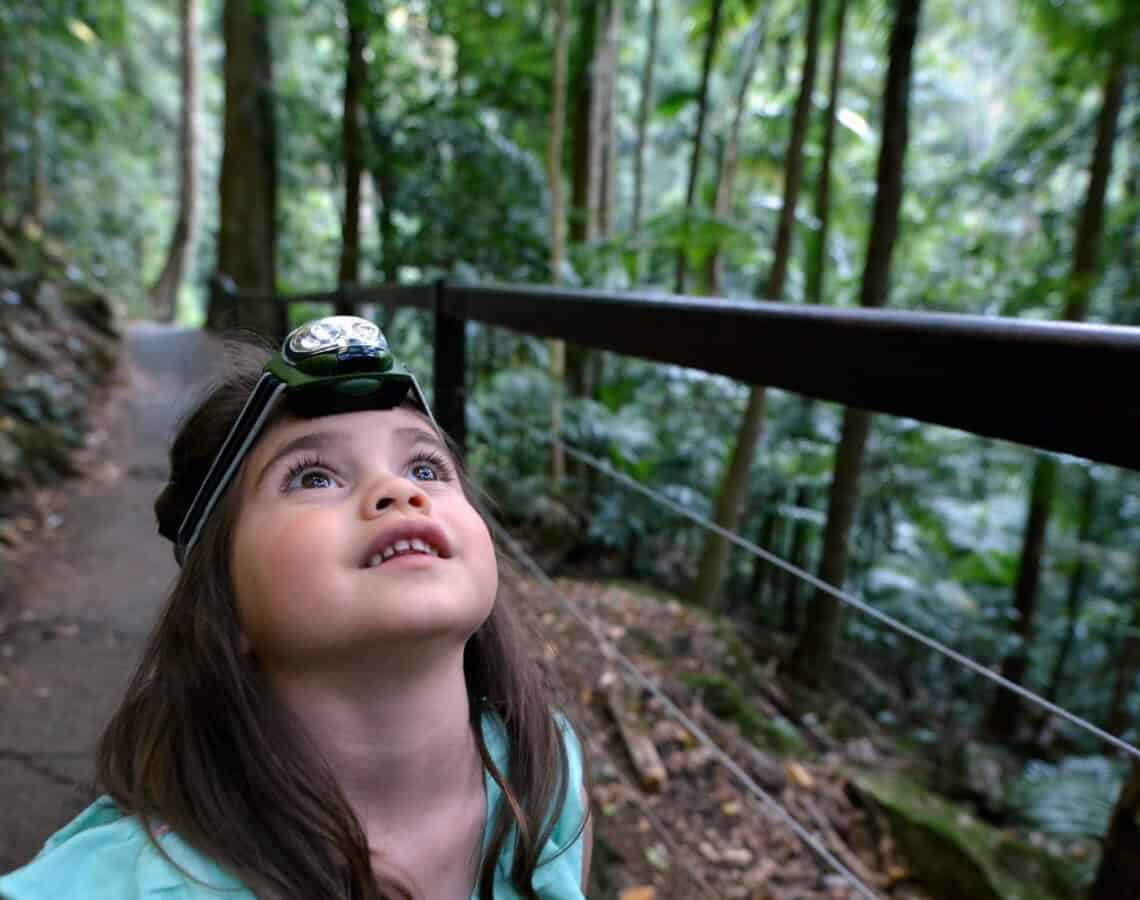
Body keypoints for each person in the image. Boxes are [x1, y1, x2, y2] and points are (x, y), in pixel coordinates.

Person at [0, 316, 591, 899]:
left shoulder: (544, 776)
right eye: (312, 478)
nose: (399, 491)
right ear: (224, 603)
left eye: (425, 467)